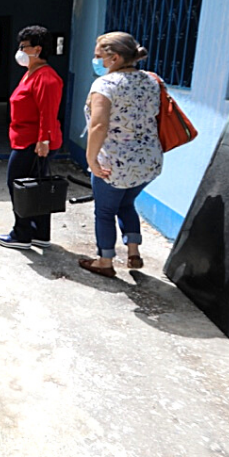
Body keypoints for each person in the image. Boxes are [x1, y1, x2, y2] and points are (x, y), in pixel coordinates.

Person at [78, 31, 163, 277]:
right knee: (127, 203)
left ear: (114, 57)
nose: (97, 62)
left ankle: (105, 262)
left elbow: (98, 125)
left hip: (115, 163)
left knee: (104, 211)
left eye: (99, 57)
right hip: (149, 160)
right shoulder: (151, 80)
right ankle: (133, 252)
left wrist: (91, 159)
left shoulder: (105, 85)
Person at [0, 25, 64, 250]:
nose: (20, 51)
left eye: (24, 47)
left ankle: (22, 233)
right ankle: (40, 233)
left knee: (19, 186)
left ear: (38, 49)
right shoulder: (31, 73)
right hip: (26, 139)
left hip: (33, 143)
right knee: (37, 186)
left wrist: (43, 140)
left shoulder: (46, 77)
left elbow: (48, 111)